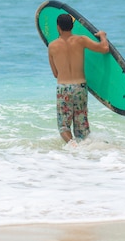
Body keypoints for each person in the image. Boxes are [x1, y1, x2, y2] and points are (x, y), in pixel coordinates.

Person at [48, 13, 109, 148]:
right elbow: (105, 48)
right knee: (82, 127)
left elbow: (55, 73)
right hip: (80, 87)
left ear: (58, 27)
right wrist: (103, 36)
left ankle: (73, 146)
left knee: (64, 126)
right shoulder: (81, 40)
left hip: (63, 88)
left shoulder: (52, 46)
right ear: (72, 25)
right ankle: (85, 150)